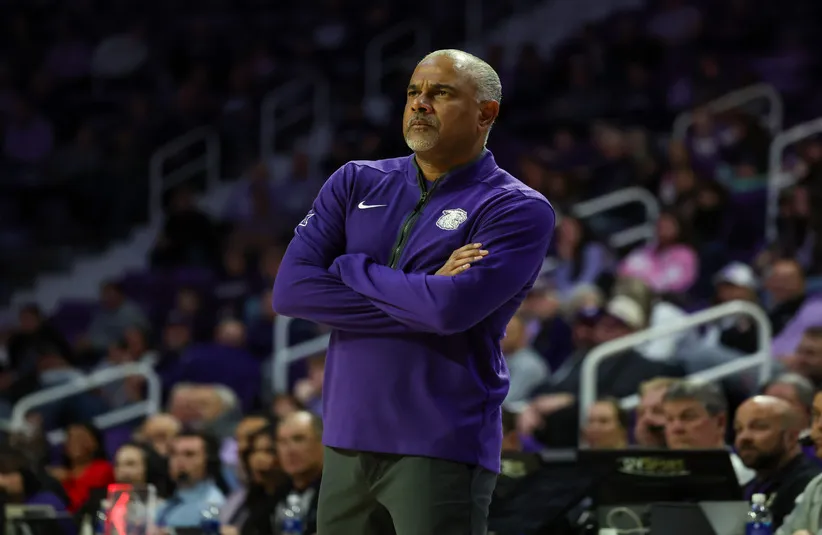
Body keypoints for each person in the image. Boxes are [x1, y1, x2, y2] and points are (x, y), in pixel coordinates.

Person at [272, 48, 556, 535]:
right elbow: (292, 291)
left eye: (440, 93)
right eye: (413, 93)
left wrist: (350, 267)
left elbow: (449, 312)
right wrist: (420, 294)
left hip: (441, 441)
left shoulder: (517, 208)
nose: (420, 103)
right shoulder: (355, 179)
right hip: (345, 439)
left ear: (486, 113)